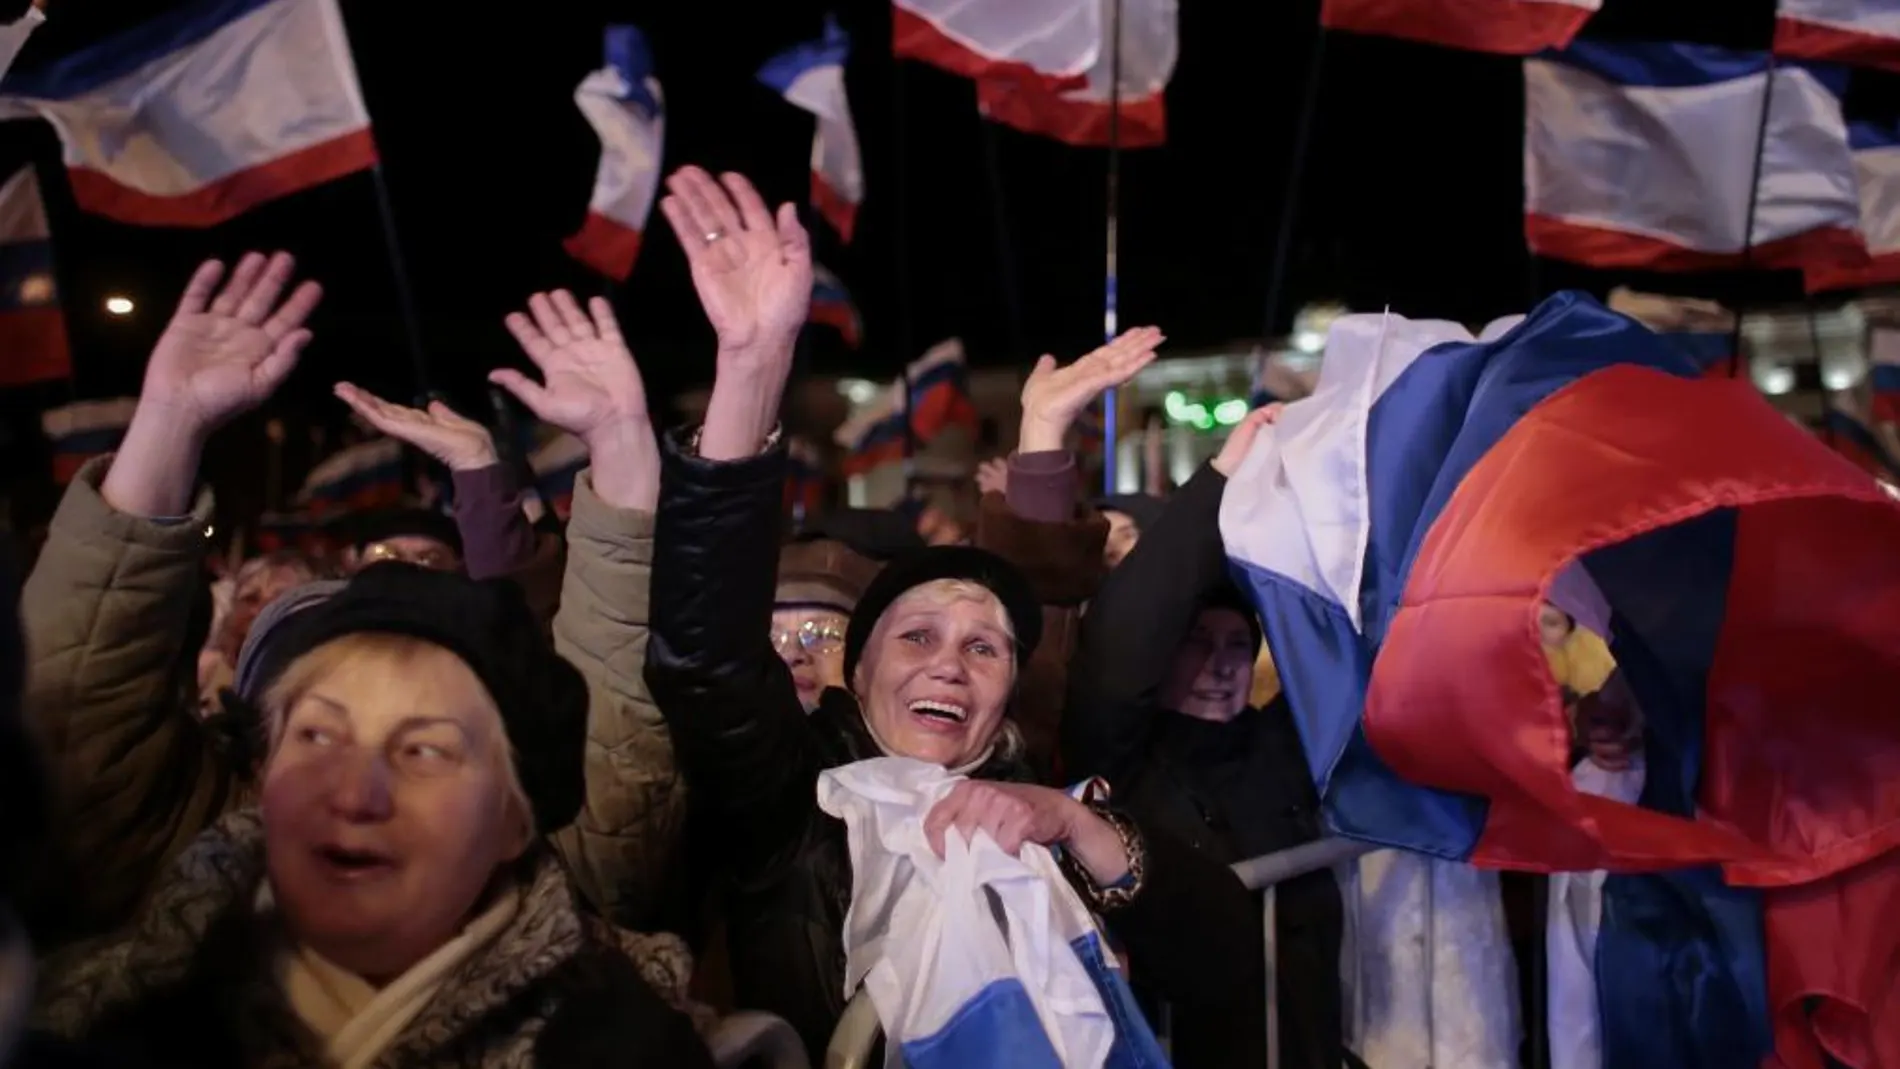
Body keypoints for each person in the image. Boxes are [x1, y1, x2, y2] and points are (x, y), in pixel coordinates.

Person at [643, 165, 1262, 1059]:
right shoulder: (796, 800)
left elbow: (1226, 955)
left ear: (1010, 689)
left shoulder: (1039, 803)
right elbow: (703, 655)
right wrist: (751, 369)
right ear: (855, 674)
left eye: (984, 648)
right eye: (918, 637)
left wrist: (1075, 823)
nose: (948, 663)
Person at [31, 563, 713, 1068]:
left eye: (424, 749)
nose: (356, 793)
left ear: (514, 821)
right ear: (263, 774)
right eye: (319, 736)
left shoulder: (621, 1050)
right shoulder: (87, 1023)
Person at [1065, 405, 1345, 1069]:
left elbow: (1348, 646)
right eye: (1196, 642)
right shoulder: (1122, 756)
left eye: (1238, 644)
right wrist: (1220, 478)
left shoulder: (1282, 747)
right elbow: (1122, 640)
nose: (1222, 664)